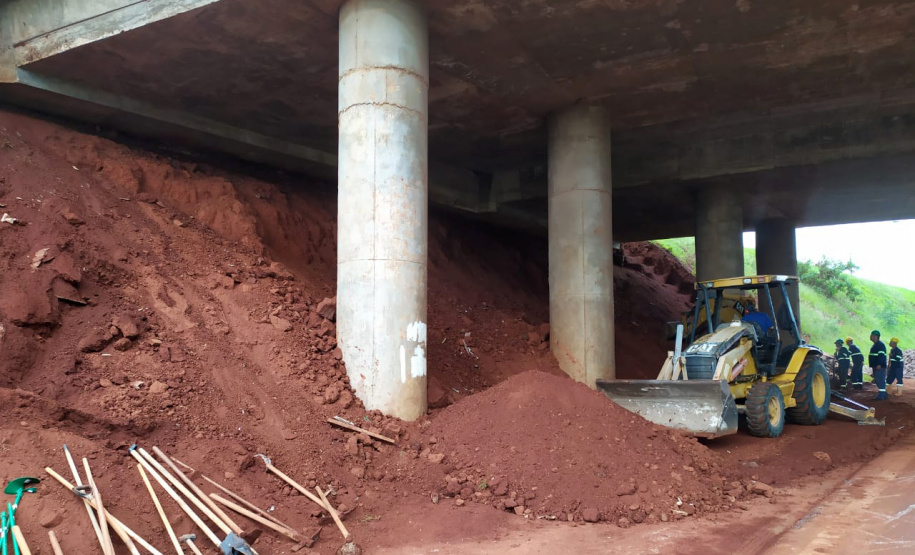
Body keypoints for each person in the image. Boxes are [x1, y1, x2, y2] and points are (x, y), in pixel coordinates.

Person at [869, 330, 888, 400]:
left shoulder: (880, 345)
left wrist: (879, 364)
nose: (870, 337)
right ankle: (884, 394)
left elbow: (881, 356)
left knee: (880, 380)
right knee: (878, 380)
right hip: (876, 366)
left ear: (876, 336)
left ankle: (881, 396)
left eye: (871, 335)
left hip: (879, 366)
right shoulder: (876, 345)